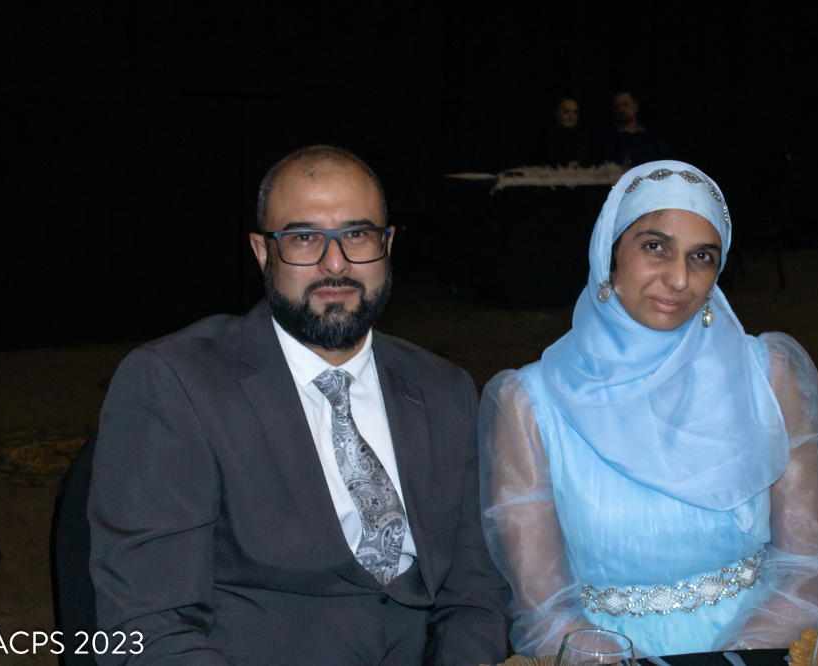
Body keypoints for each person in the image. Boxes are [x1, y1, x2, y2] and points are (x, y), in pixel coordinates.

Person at [88, 145, 512, 665]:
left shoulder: (443, 390)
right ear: (262, 252)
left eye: (357, 235)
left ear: (387, 245)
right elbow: (148, 626)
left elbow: (474, 594)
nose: (336, 263)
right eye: (305, 238)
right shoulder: (177, 385)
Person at [478, 160, 818, 657]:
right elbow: (544, 609)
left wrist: (732, 659)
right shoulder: (529, 403)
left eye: (702, 257)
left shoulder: (767, 375)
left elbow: (807, 570)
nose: (678, 278)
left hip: (759, 644)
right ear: (610, 254)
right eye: (656, 247)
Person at [600, 91, 671, 167]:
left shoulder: (652, 137)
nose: (621, 109)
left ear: (636, 106)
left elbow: (666, 162)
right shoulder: (609, 139)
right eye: (617, 107)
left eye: (626, 104)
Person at [537, 97, 595, 168]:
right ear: (557, 113)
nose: (571, 117)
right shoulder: (547, 137)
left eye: (575, 112)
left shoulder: (584, 137)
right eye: (566, 112)